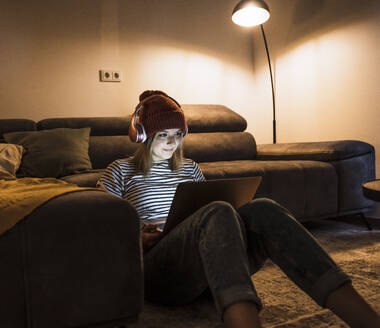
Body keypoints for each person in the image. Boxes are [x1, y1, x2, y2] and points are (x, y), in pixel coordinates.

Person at [97, 90, 380, 328]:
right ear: (144, 136)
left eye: (177, 134)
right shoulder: (120, 171)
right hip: (159, 269)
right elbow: (98, 224)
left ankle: (365, 319)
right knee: (217, 209)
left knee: (263, 209)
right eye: (163, 135)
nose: (173, 142)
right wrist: (137, 234)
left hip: (210, 265)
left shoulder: (191, 168)